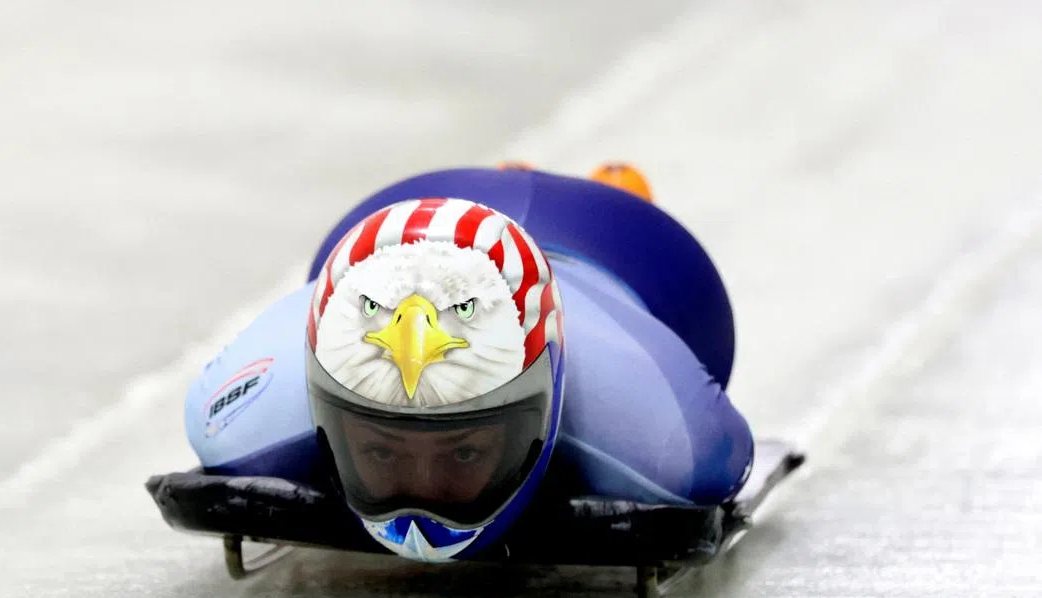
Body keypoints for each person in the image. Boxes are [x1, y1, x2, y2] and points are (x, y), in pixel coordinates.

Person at [183, 163, 754, 563]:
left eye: (463, 452)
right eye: (380, 451)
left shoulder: (670, 442)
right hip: (410, 221)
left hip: (622, 243)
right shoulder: (235, 413)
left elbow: (720, 450)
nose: (423, 497)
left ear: (547, 405)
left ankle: (614, 191)